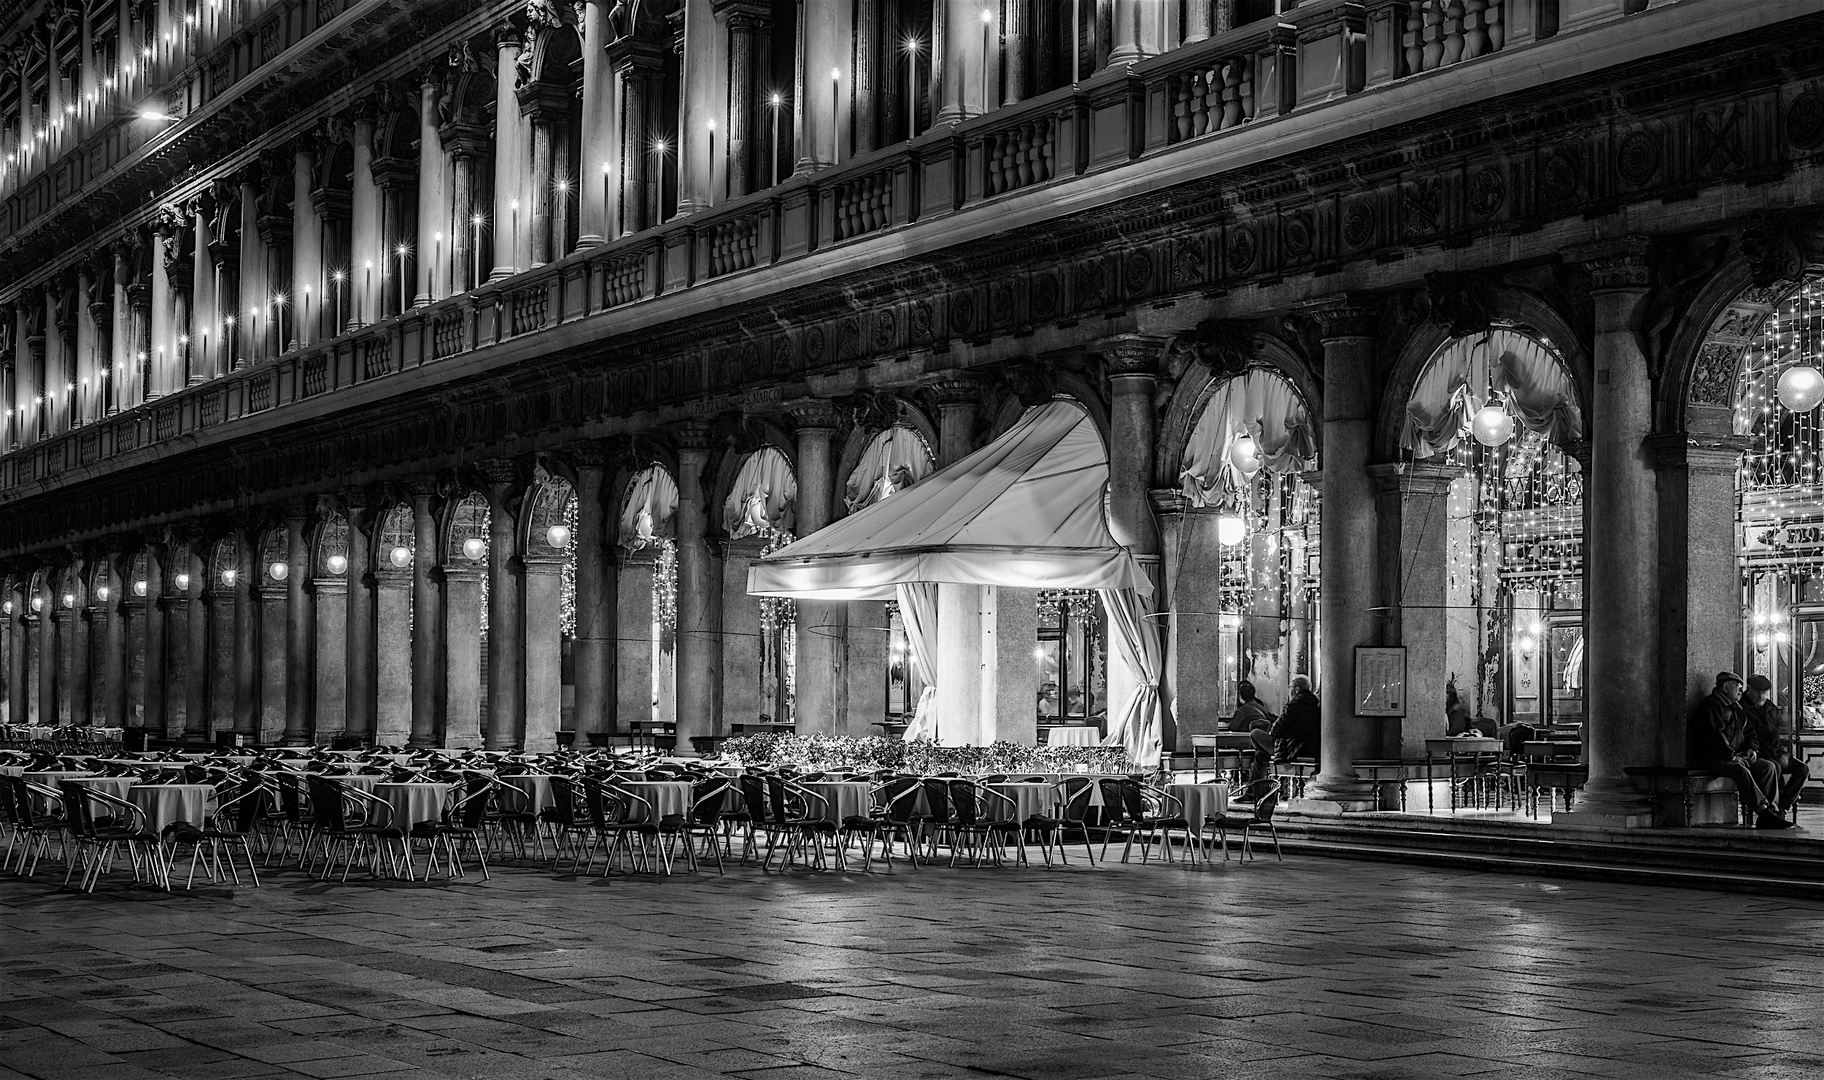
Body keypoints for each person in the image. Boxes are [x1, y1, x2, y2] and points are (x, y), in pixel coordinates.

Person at [1687, 671, 1788, 830]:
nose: (1741, 691)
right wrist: (1732, 756)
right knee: (1740, 770)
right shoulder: (1711, 705)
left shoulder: (1737, 708)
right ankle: (1762, 810)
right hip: (1711, 757)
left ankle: (1772, 812)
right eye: (1738, 687)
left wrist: (1751, 750)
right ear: (1726, 687)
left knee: (1768, 767)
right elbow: (1714, 737)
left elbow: (1750, 733)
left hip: (1735, 755)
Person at [1741, 674, 1809, 817]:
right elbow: (1750, 738)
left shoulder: (1769, 707)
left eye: (1764, 692)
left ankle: (1783, 806)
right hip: (1759, 754)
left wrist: (1784, 752)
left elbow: (1780, 730)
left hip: (1776, 752)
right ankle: (1772, 809)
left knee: (1802, 769)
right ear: (1749, 690)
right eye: (1758, 692)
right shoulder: (1742, 709)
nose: (1761, 696)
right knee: (1775, 767)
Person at [1234, 682, 1275, 798]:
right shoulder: (1261, 707)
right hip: (1258, 748)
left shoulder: (1242, 711)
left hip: (1245, 747)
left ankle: (1250, 791)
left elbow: (1233, 727)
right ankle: (1254, 792)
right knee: (1260, 755)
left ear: (1240, 695)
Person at [1273, 676, 1321, 764]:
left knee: (1255, 734)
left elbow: (1276, 731)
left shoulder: (1292, 706)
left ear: (1297, 689)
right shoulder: (1315, 706)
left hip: (1292, 749)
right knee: (1260, 754)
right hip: (1312, 749)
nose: (1288, 691)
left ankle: (1257, 777)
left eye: (1290, 687)